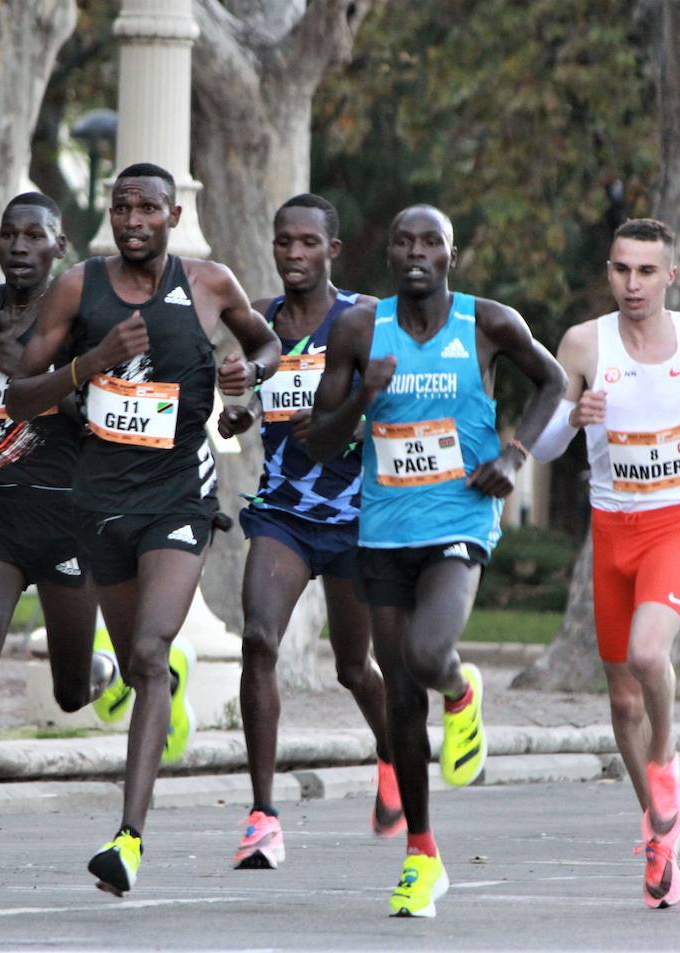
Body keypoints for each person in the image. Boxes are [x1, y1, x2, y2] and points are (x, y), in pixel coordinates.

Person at [7, 162, 280, 896]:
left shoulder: (209, 284)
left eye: (148, 208)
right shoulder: (78, 288)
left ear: (174, 217)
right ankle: (161, 688)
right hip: (97, 500)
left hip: (176, 497)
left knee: (153, 649)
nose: (133, 220)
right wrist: (91, 362)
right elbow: (20, 392)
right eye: (121, 207)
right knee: (136, 663)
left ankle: (128, 837)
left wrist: (242, 380)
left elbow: (268, 346)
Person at [309, 204, 566, 918]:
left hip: (460, 517)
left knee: (427, 652)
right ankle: (422, 854)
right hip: (383, 529)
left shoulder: (487, 323)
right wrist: (363, 393)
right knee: (397, 700)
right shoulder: (360, 328)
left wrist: (514, 454)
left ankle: (459, 691)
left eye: (432, 241)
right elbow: (319, 441)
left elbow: (553, 383)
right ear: (388, 253)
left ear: (452, 253)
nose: (416, 252)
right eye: (403, 240)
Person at [529, 217, 680, 910]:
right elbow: (542, 443)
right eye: (620, 270)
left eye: (646, 271)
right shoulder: (582, 343)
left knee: (646, 651)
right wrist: (573, 417)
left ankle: (666, 758)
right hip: (612, 529)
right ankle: (660, 838)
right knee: (620, 697)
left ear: (671, 275)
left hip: (677, 524)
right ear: (608, 272)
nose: (632, 284)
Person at [0, 193, 119, 902]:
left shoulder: (83, 318)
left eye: (34, 234)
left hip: (69, 515)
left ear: (59, 245)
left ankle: (103, 666)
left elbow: (98, 413)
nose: (19, 244)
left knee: (69, 696)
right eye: (9, 232)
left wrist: (37, 375)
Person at [215, 194, 397, 871]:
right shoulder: (261, 320)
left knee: (354, 667)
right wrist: (237, 416)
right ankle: (263, 815)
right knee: (259, 639)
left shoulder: (362, 319)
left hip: (354, 517)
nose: (294, 254)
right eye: (284, 242)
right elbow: (251, 406)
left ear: (333, 251)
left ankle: (389, 752)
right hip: (282, 511)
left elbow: (387, 401)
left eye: (308, 243)